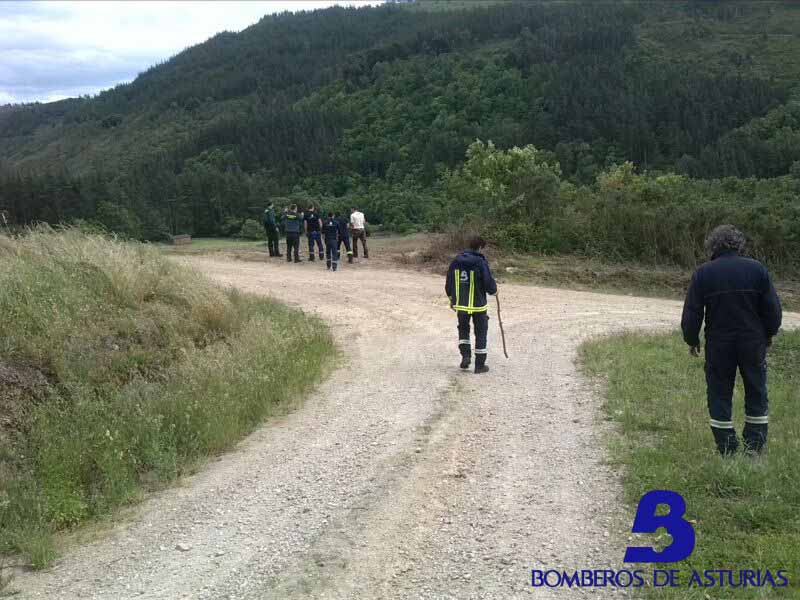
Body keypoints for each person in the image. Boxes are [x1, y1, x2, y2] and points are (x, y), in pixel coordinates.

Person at [681, 224, 782, 456]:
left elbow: (692, 312)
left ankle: (726, 447)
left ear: (713, 246)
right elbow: (773, 310)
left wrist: (692, 339)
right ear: (739, 245)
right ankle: (754, 446)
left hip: (719, 344)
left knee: (719, 391)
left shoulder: (704, 273)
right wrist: (768, 334)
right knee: (756, 389)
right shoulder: (757, 270)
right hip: (752, 341)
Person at [445, 236, 497, 374]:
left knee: (463, 330)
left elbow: (449, 281)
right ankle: (479, 365)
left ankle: (465, 357)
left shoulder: (456, 261)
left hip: (461, 305)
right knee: (481, 332)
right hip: (478, 305)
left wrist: (451, 298)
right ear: (480, 247)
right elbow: (487, 281)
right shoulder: (480, 262)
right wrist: (494, 291)